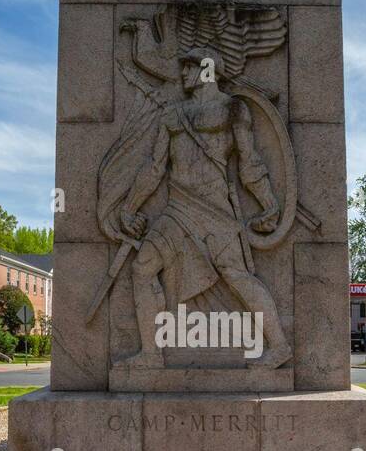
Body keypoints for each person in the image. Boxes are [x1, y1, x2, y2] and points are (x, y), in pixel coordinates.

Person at [116, 47, 291, 370]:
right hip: (178, 209)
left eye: (189, 67)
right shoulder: (172, 115)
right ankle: (152, 355)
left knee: (238, 276)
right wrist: (130, 207)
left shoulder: (233, 110)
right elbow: (154, 169)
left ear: (207, 69)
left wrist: (269, 203)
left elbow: (250, 163)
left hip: (217, 213)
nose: (182, 74)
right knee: (142, 268)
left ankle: (279, 346)